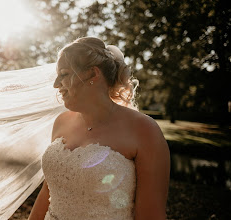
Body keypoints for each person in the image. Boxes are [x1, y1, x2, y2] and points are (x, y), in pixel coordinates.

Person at [28, 37, 170, 220]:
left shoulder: (144, 130)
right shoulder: (61, 122)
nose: (56, 84)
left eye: (64, 74)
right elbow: (49, 192)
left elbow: (151, 216)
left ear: (93, 74)